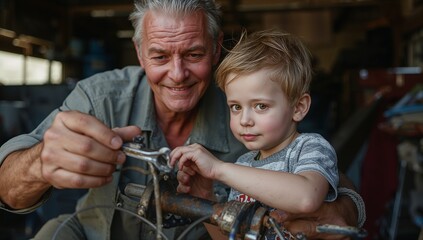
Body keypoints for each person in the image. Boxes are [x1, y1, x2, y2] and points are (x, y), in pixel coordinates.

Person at [0, 0, 363, 239]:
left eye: (193, 53)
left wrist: (344, 208)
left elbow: (328, 182)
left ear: (217, 48)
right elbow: (6, 184)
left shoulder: (247, 104)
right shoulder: (101, 97)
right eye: (159, 56)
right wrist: (39, 164)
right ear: (140, 53)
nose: (177, 74)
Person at [170, 29, 339, 238]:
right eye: (235, 107)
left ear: (298, 107)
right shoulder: (243, 165)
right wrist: (206, 199)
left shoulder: (309, 147)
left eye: (260, 106)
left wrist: (219, 169)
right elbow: (229, 237)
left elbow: (307, 197)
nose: (245, 120)